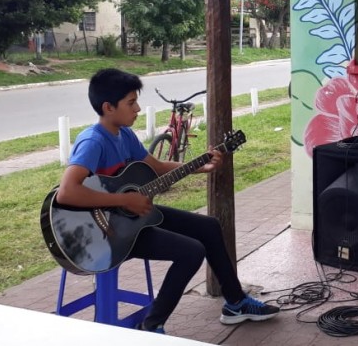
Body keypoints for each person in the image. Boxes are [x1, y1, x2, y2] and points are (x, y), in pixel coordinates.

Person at [55, 68, 279, 333]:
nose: (138, 108)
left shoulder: (124, 135)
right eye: (131, 103)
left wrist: (201, 165)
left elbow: (157, 166)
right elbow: (66, 192)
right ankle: (151, 325)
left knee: (208, 227)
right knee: (191, 251)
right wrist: (123, 201)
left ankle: (236, 302)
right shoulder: (93, 141)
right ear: (108, 107)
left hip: (131, 218)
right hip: (106, 234)